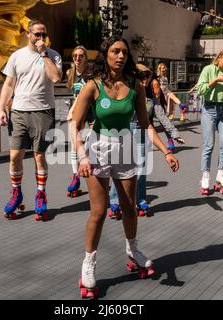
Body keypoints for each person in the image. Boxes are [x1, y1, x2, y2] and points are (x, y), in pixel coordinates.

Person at [71, 36, 179, 299]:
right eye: (115, 51)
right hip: (97, 149)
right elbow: (75, 125)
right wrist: (82, 156)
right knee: (99, 211)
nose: (120, 56)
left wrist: (166, 151)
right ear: (106, 54)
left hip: (126, 148)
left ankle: (133, 250)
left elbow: (146, 125)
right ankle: (88, 263)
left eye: (124, 52)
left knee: (129, 206)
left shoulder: (135, 86)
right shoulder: (92, 86)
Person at [0, 19, 62, 221]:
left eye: (44, 35)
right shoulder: (17, 56)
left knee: (39, 156)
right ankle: (16, 192)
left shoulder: (53, 55)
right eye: (37, 35)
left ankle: (41, 193)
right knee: (15, 155)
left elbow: (55, 78)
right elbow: (9, 84)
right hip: (18, 112)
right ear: (28, 34)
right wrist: (1, 108)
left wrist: (44, 54)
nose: (41, 38)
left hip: (43, 112)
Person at [108, 64, 185, 219]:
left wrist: (174, 133)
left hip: (142, 132)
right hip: (124, 131)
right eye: (141, 77)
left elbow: (161, 116)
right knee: (121, 167)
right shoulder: (125, 92)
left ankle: (141, 200)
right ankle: (115, 201)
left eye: (147, 78)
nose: (144, 81)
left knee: (142, 169)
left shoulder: (151, 98)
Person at [196, 45, 223, 195]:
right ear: (219, 58)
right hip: (209, 109)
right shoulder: (208, 70)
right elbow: (200, 90)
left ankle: (221, 173)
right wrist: (215, 81)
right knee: (209, 145)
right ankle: (205, 175)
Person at [65, 45, 94, 198]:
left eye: (81, 56)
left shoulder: (90, 74)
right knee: (74, 144)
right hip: (76, 111)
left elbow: (85, 93)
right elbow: (73, 93)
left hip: (91, 111)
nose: (77, 58)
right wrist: (70, 109)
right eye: (75, 56)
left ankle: (95, 169)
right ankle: (75, 176)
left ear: (85, 57)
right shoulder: (70, 73)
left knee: (92, 143)